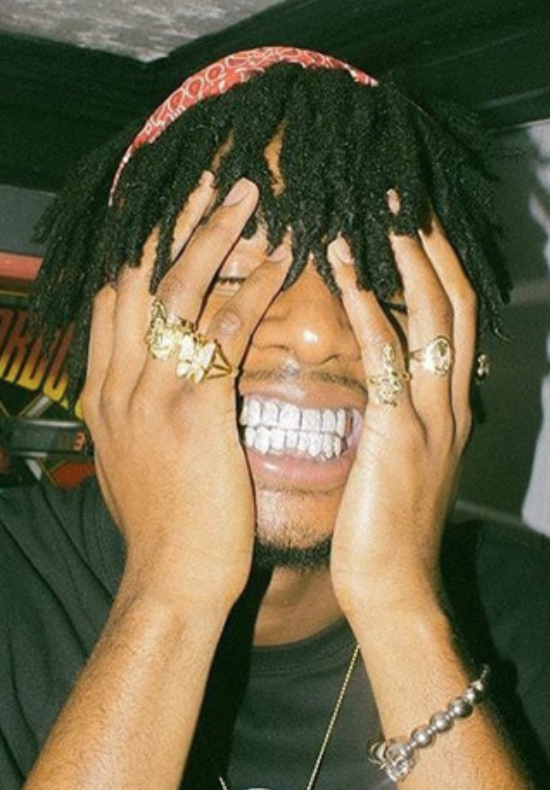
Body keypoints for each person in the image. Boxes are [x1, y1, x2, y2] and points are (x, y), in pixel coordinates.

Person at [1, 46, 549, 790]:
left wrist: (402, 609)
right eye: (231, 271)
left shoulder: (530, 614)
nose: (317, 333)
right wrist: (169, 597)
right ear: (115, 327)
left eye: (380, 281)